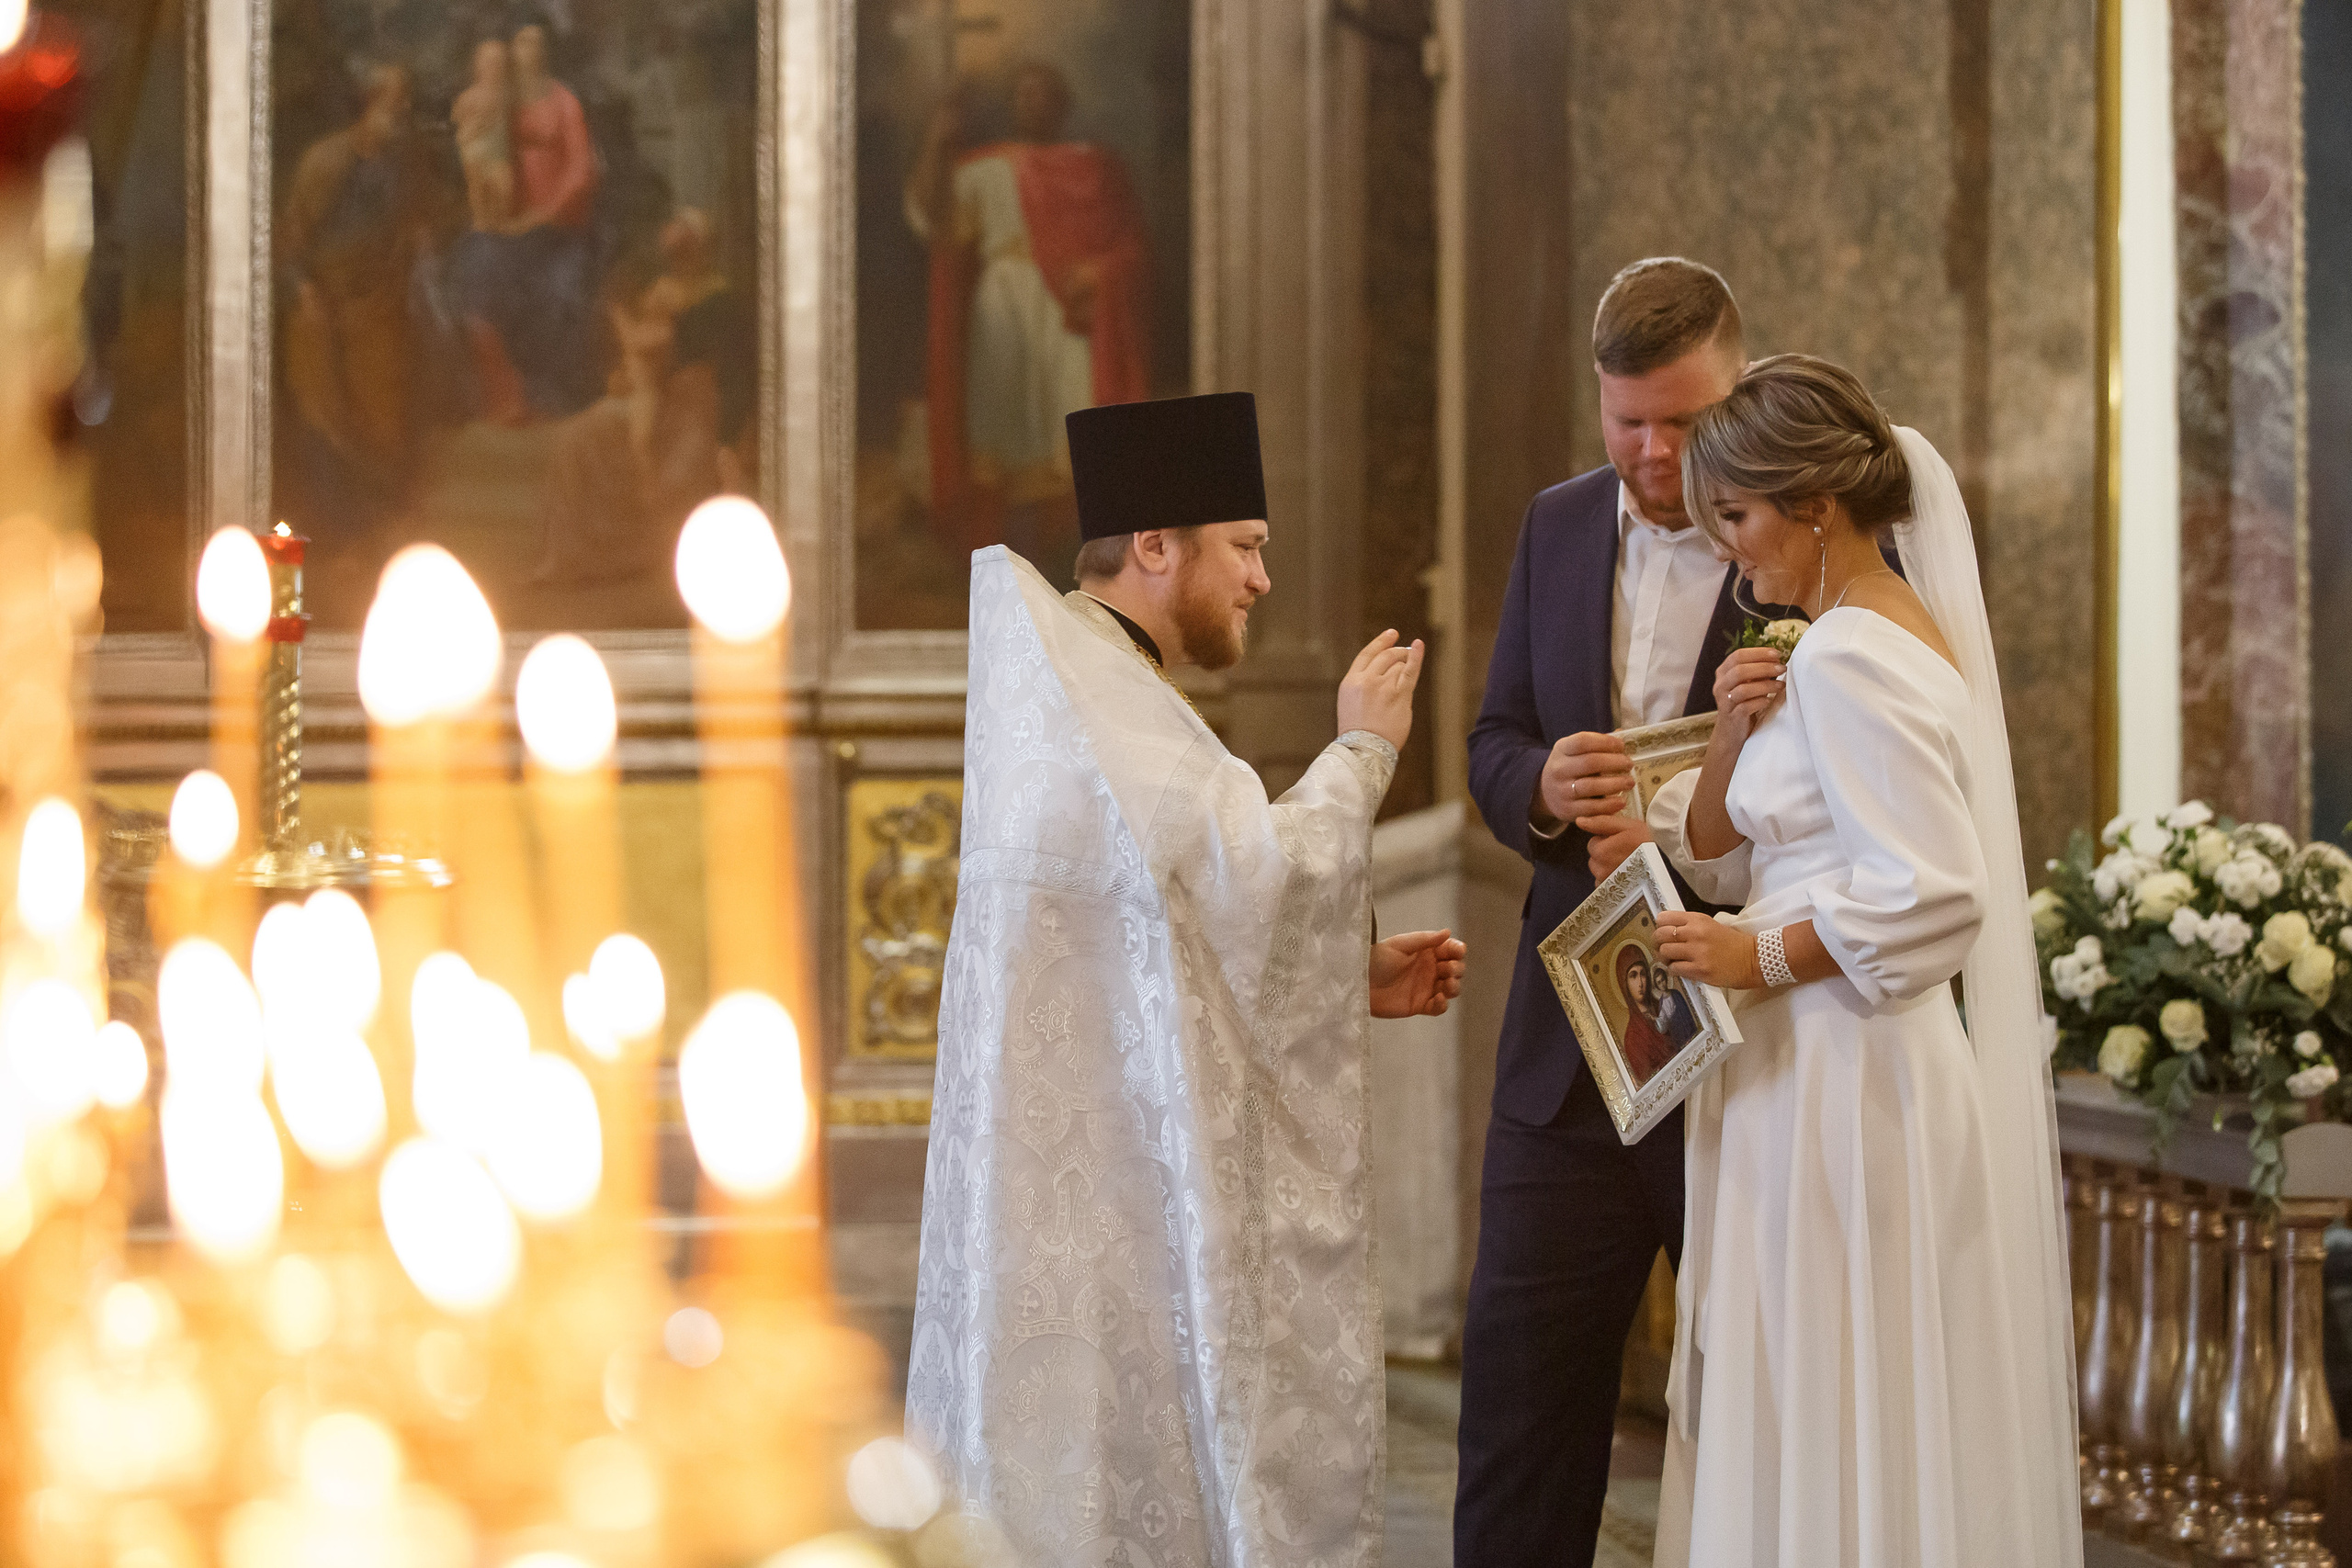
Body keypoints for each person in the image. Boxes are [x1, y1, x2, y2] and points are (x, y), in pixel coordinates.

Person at [909, 391, 1467, 1568]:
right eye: (1247, 548)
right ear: (1156, 548)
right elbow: (1258, 869)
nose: (1262, 581)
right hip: (1110, 1212)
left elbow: (1159, 940)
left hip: (1080, 1201)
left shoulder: (1071, 688)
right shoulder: (1104, 700)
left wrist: (1340, 976)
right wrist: (1363, 748)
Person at [1646, 355, 2080, 1564]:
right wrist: (1735, 735)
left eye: (1737, 517)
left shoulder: (1850, 657)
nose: (1730, 551)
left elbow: (1934, 896)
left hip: (1845, 1078)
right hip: (1820, 1072)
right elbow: (1732, 846)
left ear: (1816, 503)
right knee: (1830, 1378)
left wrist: (1754, 953)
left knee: (1836, 1380)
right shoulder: (1850, 638)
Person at [1456, 257, 1768, 1568]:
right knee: (1520, 1407)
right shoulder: (1560, 521)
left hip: (1750, 1049)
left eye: (1685, 420)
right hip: (1567, 1044)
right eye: (1629, 418)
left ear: (1740, 388)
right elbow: (1490, 739)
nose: (1654, 450)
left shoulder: (1810, 542)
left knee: (1762, 1391)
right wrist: (1540, 781)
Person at [905, 60, 1152, 555]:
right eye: (1023, 94)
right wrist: (937, 142)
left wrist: (1097, 273)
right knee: (1006, 426)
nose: (1032, 103)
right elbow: (937, 219)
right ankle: (1012, 551)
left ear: (1061, 104)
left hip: (1068, 309)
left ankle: (1079, 554)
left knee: (1069, 417)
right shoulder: (989, 166)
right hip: (1004, 303)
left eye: (1043, 94)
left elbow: (1134, 249)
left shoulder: (1094, 167)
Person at [280, 64, 432, 498]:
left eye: (404, 105)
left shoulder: (402, 167)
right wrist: (303, 289)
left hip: (378, 301)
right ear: (370, 105)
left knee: (385, 402)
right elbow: (291, 240)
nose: (400, 114)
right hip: (322, 300)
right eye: (392, 104)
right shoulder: (325, 161)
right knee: (323, 405)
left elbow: (412, 228)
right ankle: (339, 518)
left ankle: (384, 510)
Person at [1616, 947, 1677, 1084]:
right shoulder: (1632, 1036)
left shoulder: (1664, 1006)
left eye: (1642, 974)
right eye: (1633, 976)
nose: (1641, 983)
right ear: (1624, 983)